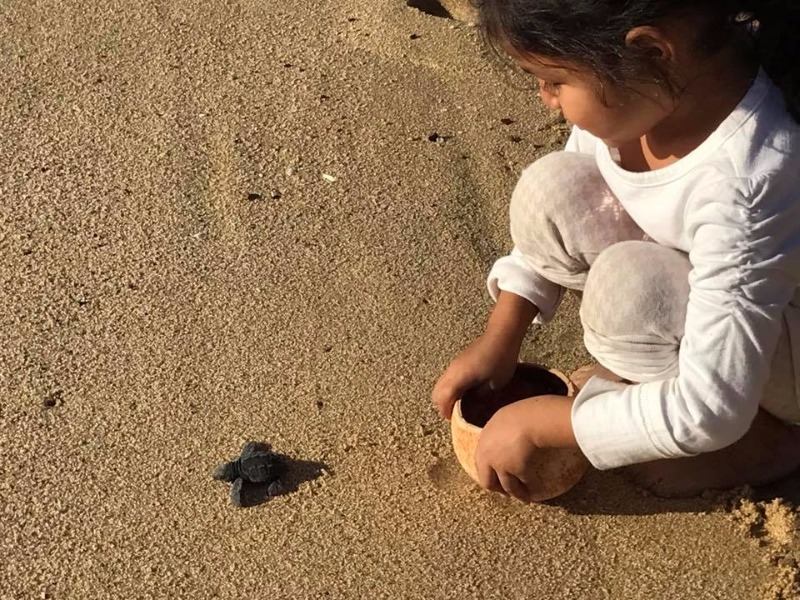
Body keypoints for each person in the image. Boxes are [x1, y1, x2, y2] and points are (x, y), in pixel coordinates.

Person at [432, 0, 800, 501]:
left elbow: (712, 406)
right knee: (555, 189)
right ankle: (651, 378)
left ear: (649, 50)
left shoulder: (746, 183)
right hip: (720, 299)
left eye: (555, 80)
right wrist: (503, 333)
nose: (546, 99)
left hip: (776, 358)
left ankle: (764, 446)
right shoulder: (648, 93)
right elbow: (572, 188)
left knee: (630, 290)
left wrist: (553, 425)